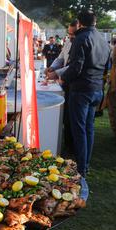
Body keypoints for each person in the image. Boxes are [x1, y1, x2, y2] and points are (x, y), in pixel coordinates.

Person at [60, 10, 111, 177]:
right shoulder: (103, 40)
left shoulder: (81, 38)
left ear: (80, 23)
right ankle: (85, 164)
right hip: (96, 89)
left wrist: (63, 79)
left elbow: (76, 67)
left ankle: (82, 167)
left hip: (82, 90)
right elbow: (106, 66)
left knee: (80, 129)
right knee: (89, 128)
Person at [45, 20, 78, 154]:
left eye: (73, 34)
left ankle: (72, 146)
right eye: (69, 34)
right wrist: (52, 67)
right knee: (67, 117)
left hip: (74, 83)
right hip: (65, 82)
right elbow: (61, 58)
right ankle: (68, 143)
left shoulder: (82, 42)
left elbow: (73, 66)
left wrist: (56, 73)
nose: (70, 37)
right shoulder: (69, 42)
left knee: (73, 117)